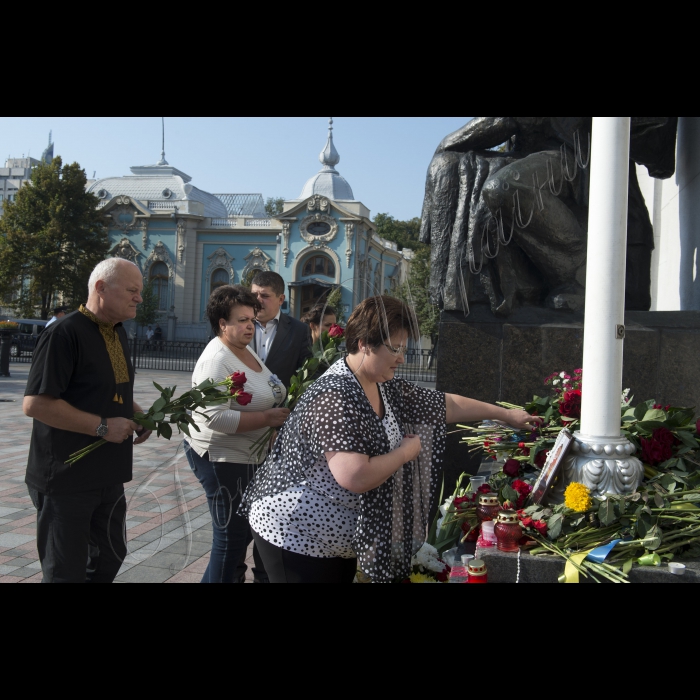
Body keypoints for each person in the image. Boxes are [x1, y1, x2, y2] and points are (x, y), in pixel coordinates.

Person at [242, 296, 542, 584]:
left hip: (334, 540)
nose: (401, 358)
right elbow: (355, 476)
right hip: (296, 533)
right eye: (395, 348)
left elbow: (445, 405)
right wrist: (405, 452)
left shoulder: (381, 384)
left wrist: (506, 415)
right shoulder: (335, 395)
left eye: (404, 349)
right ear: (364, 343)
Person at [22, 259, 152, 584]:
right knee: (64, 572)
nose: (139, 298)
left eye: (140, 292)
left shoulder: (116, 332)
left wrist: (137, 414)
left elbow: (110, 389)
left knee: (111, 555)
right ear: (101, 288)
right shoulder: (63, 334)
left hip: (108, 473)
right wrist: (103, 427)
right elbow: (36, 403)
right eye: (132, 291)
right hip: (66, 477)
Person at [185, 285, 291, 583]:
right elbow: (213, 416)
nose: (250, 326)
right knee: (230, 541)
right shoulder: (217, 360)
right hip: (222, 460)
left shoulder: (245, 350)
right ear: (222, 323)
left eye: (251, 319)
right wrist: (265, 418)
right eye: (242, 320)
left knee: (239, 536)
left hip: (247, 458)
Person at [250, 271, 312, 388]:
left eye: (265, 296)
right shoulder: (238, 326)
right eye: (254, 295)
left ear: (281, 299)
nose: (257, 300)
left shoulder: (299, 331)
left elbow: (308, 373)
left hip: (281, 404)